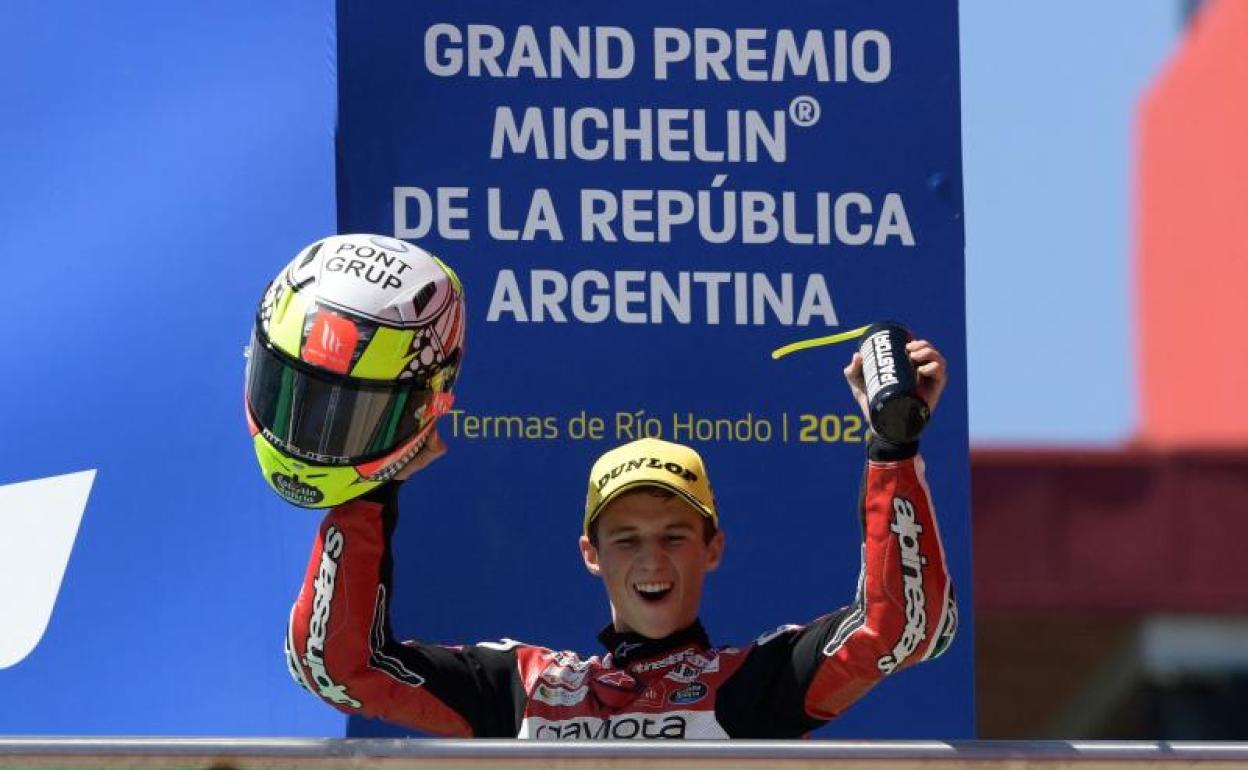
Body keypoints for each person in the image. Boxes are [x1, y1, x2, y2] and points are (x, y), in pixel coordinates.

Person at [251, 236, 957, 739]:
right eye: (627, 539)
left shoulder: (755, 686)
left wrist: (892, 447)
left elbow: (900, 628)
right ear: (592, 554)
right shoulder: (525, 690)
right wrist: (374, 479)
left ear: (713, 549)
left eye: (675, 535)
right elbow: (336, 667)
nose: (652, 559)